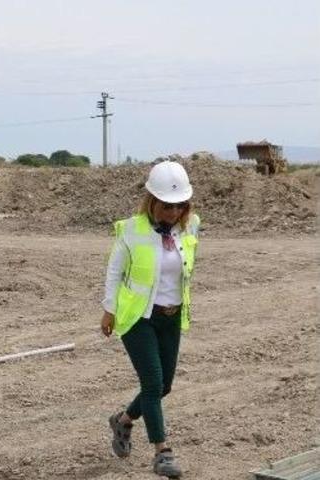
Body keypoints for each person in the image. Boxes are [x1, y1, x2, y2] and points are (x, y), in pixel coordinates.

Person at [100, 161, 200, 478]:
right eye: (166, 206)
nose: (173, 212)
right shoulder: (132, 229)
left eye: (179, 206)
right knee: (153, 384)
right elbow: (114, 272)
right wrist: (109, 309)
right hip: (137, 318)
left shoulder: (190, 227)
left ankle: (124, 421)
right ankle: (162, 452)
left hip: (171, 317)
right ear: (151, 200)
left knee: (164, 385)